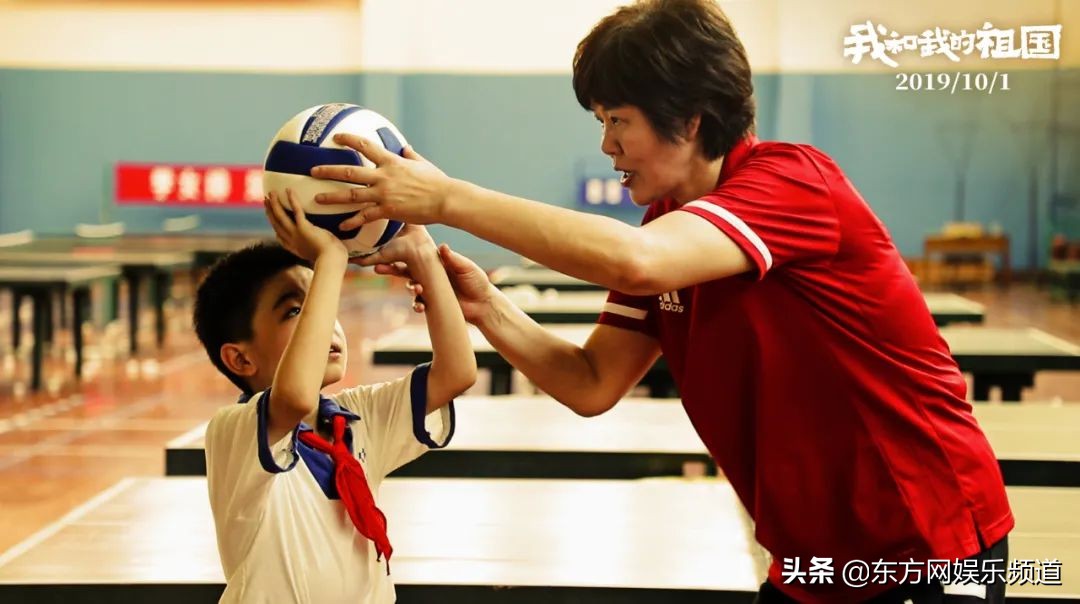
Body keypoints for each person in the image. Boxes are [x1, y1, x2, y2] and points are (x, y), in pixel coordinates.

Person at [308, 1, 1013, 602]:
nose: (607, 145)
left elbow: (635, 262)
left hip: (927, 543)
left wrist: (447, 199)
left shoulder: (794, 182)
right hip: (811, 559)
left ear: (691, 119)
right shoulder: (667, 224)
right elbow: (592, 383)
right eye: (601, 121)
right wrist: (489, 306)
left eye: (618, 119)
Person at [192, 190, 476, 603]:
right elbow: (292, 398)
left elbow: (456, 374)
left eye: (325, 306)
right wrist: (329, 259)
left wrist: (423, 255)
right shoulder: (233, 434)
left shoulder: (355, 418)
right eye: (297, 312)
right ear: (241, 359)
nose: (326, 324)